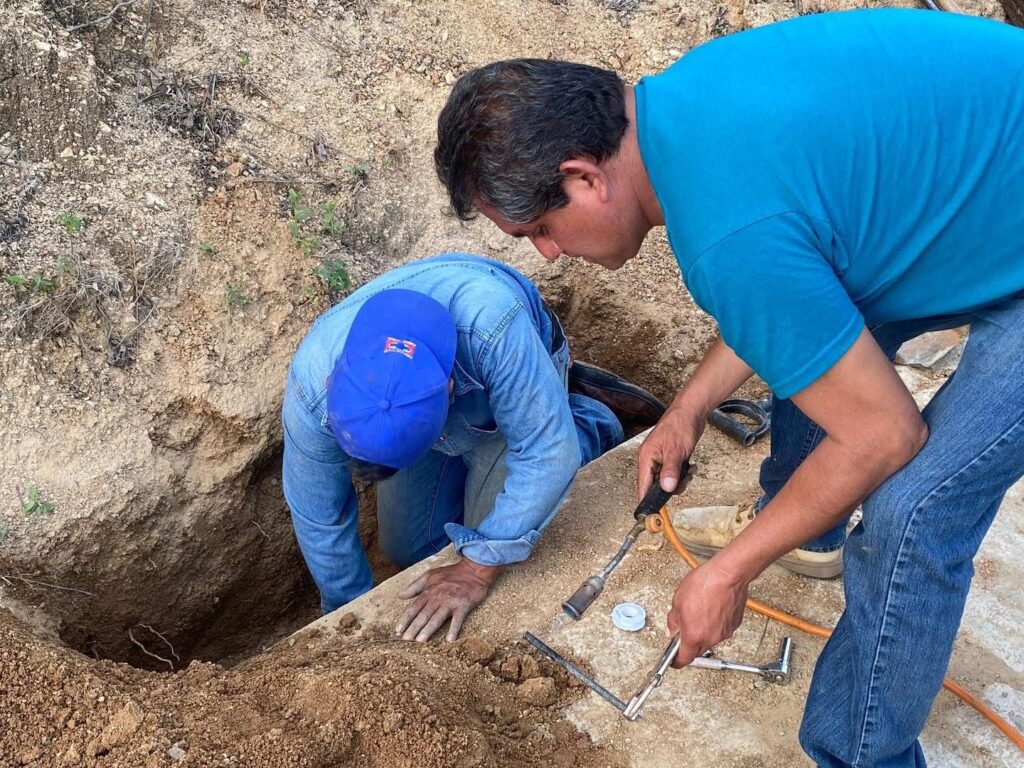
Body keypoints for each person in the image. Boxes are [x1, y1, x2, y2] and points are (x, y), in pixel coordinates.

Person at [433, 9, 1024, 766]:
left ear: (583, 177)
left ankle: (863, 756)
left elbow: (886, 433)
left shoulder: (727, 230)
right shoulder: (686, 103)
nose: (547, 254)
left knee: (913, 510)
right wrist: (686, 409)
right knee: (825, 330)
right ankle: (808, 532)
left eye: (538, 230)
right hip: (993, 183)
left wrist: (729, 571)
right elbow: (784, 287)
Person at [282, 252, 664, 643]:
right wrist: (348, 616)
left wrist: (475, 570)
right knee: (407, 551)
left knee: (494, 540)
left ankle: (584, 418)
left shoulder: (492, 326)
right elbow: (319, 515)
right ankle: (481, 458)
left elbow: (548, 454)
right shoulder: (311, 387)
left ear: (450, 393)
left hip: (502, 378)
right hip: (427, 414)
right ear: (331, 383)